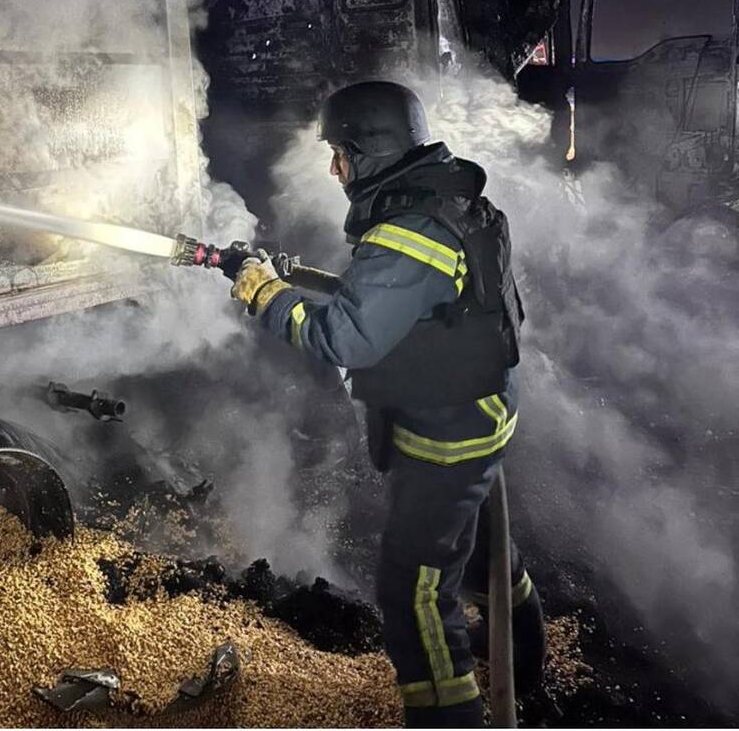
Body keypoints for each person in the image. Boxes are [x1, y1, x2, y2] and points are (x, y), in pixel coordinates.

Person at [229, 80, 544, 728]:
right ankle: (527, 670)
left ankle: (448, 717)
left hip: (448, 438)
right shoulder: (451, 200)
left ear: (372, 152)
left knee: (414, 594)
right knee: (487, 556)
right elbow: (421, 302)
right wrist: (317, 283)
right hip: (485, 414)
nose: (334, 168)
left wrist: (263, 295)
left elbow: (343, 338)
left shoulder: (408, 232)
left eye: (341, 154)